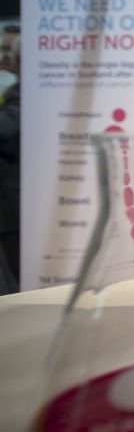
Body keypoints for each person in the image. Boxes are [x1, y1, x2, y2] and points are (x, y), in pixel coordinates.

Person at [0, 25, 21, 293]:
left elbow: (7, 126)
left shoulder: (23, 91)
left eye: (7, 50)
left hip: (14, 201)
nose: (3, 56)